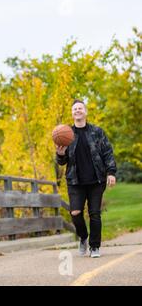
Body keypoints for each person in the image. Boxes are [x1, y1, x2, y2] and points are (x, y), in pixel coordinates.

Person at [56, 99, 117, 258]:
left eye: (80, 108)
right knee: (75, 213)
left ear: (85, 112)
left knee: (94, 213)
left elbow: (107, 153)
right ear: (72, 113)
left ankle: (95, 247)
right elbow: (62, 162)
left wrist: (111, 172)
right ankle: (83, 237)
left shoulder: (97, 132)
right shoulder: (66, 133)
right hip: (75, 181)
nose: (77, 110)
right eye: (75, 108)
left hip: (96, 180)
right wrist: (60, 154)